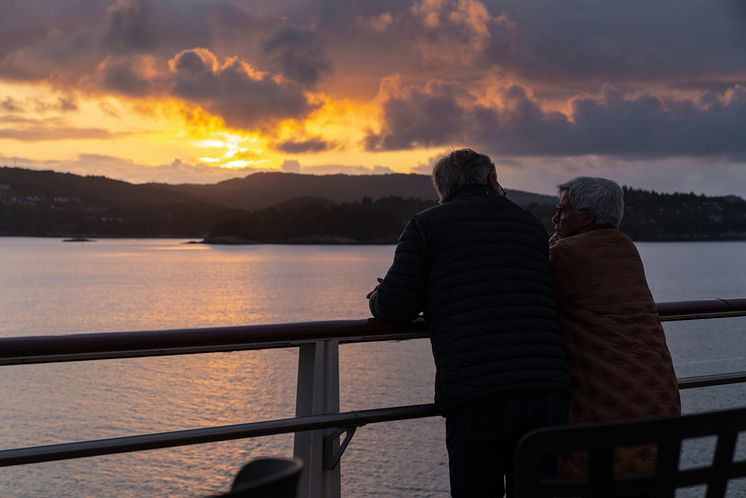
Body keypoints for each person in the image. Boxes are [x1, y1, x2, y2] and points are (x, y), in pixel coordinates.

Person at [367, 148, 569, 498]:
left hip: (479, 394)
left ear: (443, 189)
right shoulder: (530, 226)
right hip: (546, 391)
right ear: (492, 179)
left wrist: (377, 295)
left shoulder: (427, 225)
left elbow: (396, 307)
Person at [549, 176, 681, 478]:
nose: (555, 218)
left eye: (562, 210)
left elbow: (536, 290)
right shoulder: (626, 248)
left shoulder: (568, 254)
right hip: (658, 401)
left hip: (608, 415)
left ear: (587, 217)